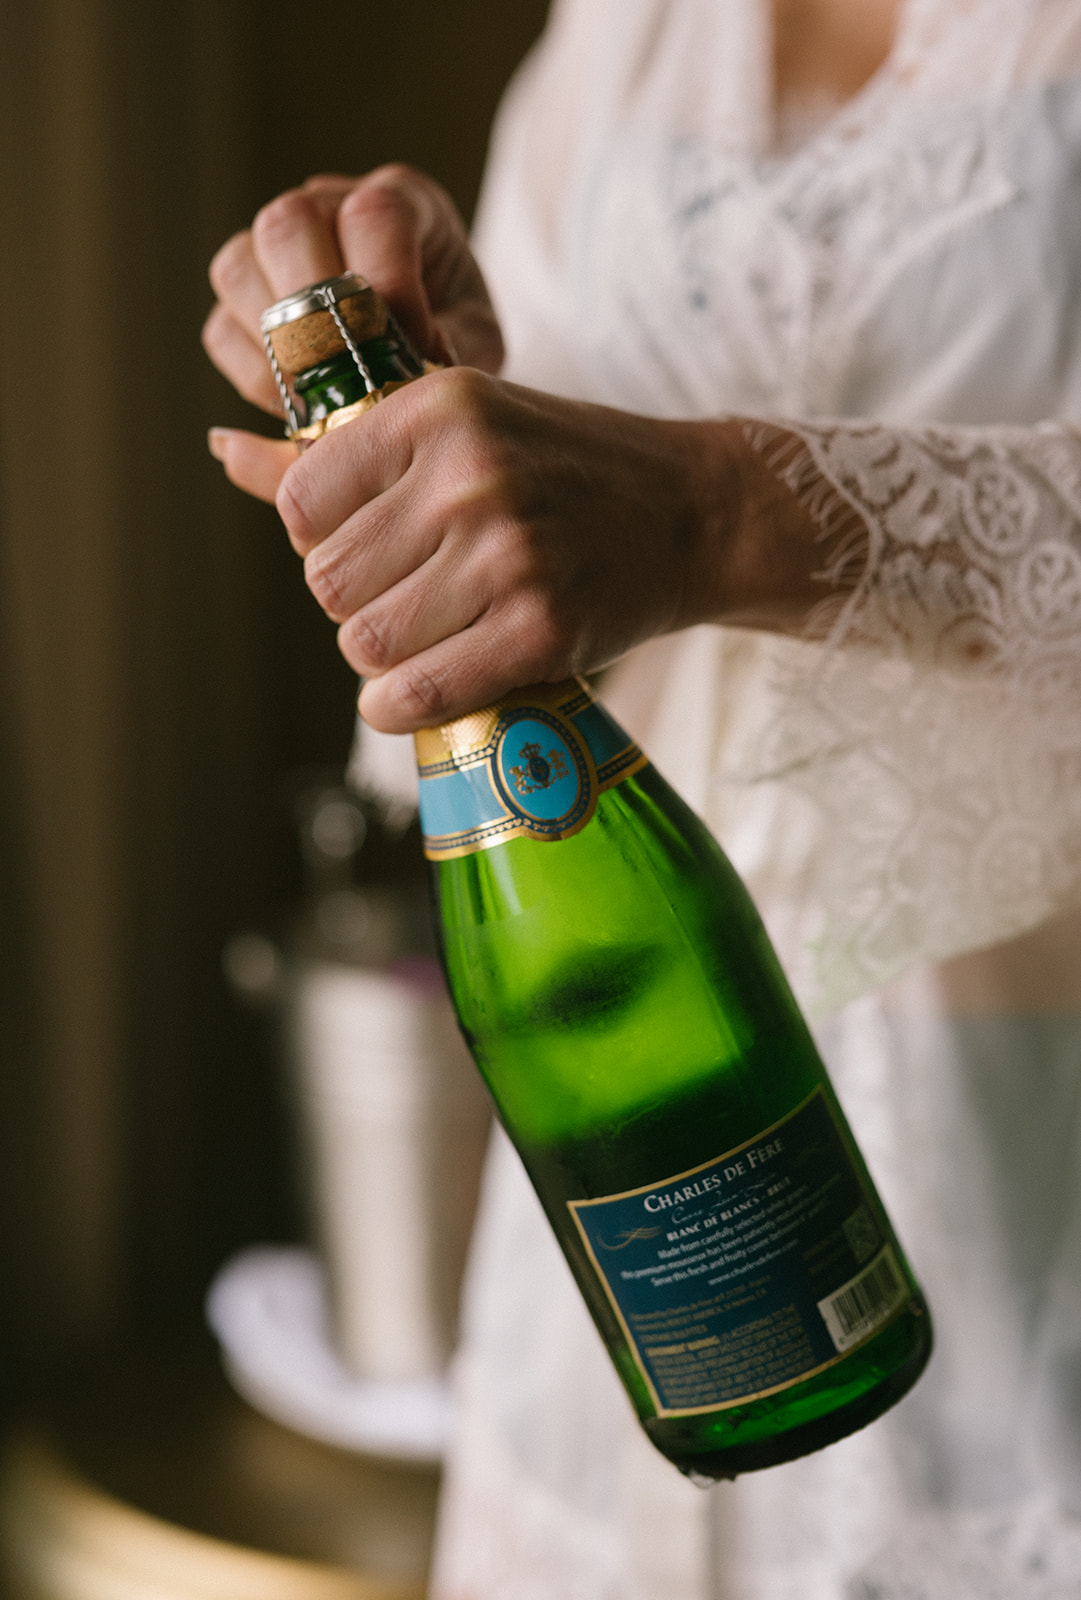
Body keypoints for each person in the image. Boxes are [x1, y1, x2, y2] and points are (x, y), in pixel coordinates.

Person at [204, 1, 1081, 1594]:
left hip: (1040, 1183)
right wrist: (438, 408)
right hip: (630, 1290)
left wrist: (716, 518)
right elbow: (529, 566)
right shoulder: (625, 35)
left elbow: (667, 506)